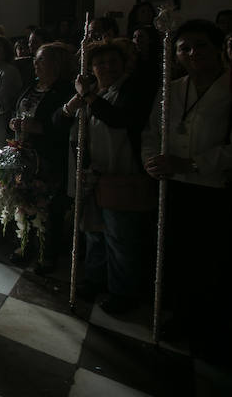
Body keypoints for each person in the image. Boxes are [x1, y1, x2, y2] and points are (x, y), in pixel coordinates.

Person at [142, 19, 232, 351]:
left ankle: (211, 328)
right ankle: (181, 315)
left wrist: (191, 164)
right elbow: (151, 133)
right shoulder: (172, 89)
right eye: (184, 47)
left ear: (218, 49)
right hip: (173, 184)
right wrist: (152, 162)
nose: (192, 53)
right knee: (177, 256)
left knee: (212, 261)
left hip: (215, 188)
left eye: (200, 45)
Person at [63, 39, 156, 315]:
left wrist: (89, 98)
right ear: (91, 68)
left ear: (124, 63)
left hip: (122, 174)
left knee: (120, 238)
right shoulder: (95, 92)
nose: (107, 68)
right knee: (94, 232)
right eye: (100, 63)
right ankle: (95, 279)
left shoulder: (131, 89)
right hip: (95, 174)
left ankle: (123, 292)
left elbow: (120, 119)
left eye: (112, 62)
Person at [8, 42, 76, 270]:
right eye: (35, 60)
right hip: (25, 155)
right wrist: (14, 122)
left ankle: (47, 253)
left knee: (48, 207)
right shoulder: (31, 86)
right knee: (24, 201)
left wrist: (41, 128)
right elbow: (18, 109)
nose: (35, 64)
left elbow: (66, 123)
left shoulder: (65, 90)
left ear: (57, 64)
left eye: (41, 60)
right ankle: (25, 244)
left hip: (50, 157)